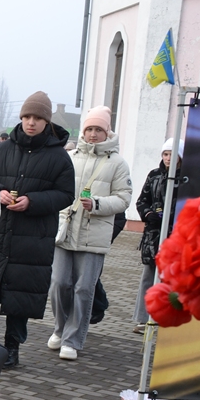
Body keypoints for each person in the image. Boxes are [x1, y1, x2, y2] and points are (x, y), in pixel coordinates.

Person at [0, 91, 75, 368]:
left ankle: (12, 347)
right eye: (26, 117)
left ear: (47, 122)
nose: (31, 122)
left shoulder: (59, 157)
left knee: (20, 296)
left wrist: (33, 201)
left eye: (37, 118)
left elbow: (65, 194)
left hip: (34, 237)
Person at [48, 105, 132, 360]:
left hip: (95, 233)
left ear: (107, 132)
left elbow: (124, 198)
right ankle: (60, 328)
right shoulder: (70, 157)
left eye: (98, 129)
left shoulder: (117, 163)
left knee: (84, 288)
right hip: (65, 231)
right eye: (89, 129)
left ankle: (73, 340)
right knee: (59, 284)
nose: (93, 134)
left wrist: (97, 204)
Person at [133, 138, 184, 333]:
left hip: (175, 235)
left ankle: (166, 317)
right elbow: (141, 200)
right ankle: (142, 318)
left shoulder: (185, 179)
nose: (168, 158)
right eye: (165, 154)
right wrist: (147, 214)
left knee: (171, 277)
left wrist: (172, 220)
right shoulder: (154, 175)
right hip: (153, 235)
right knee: (149, 276)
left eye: (172, 154)